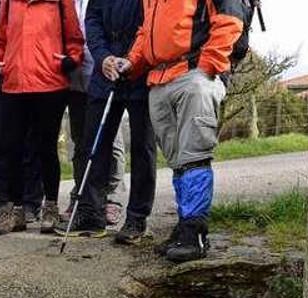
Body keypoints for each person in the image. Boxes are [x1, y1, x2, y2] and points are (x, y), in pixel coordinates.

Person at [104, 0, 243, 262]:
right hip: (160, 78)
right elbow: (147, 32)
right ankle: (184, 227)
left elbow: (231, 17)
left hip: (194, 74)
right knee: (178, 161)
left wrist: (209, 65)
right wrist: (132, 62)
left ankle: (195, 233)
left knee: (194, 156)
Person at [58, 0, 156, 244]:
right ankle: (91, 212)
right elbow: (93, 22)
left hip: (141, 72)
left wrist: (134, 59)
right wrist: (103, 58)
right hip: (105, 75)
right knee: (93, 143)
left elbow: (152, 22)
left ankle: (136, 217)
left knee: (143, 146)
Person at [0, 0, 84, 235]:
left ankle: (50, 206)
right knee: (12, 149)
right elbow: (1, 38)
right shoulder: (9, 2)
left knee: (46, 149)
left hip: (49, 83)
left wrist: (72, 58)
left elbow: (74, 37)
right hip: (14, 82)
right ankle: (17, 210)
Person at [62, 0, 126, 227]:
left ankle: (112, 198)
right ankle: (82, 197)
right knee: (82, 140)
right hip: (76, 73)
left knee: (111, 139)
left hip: (107, 69)